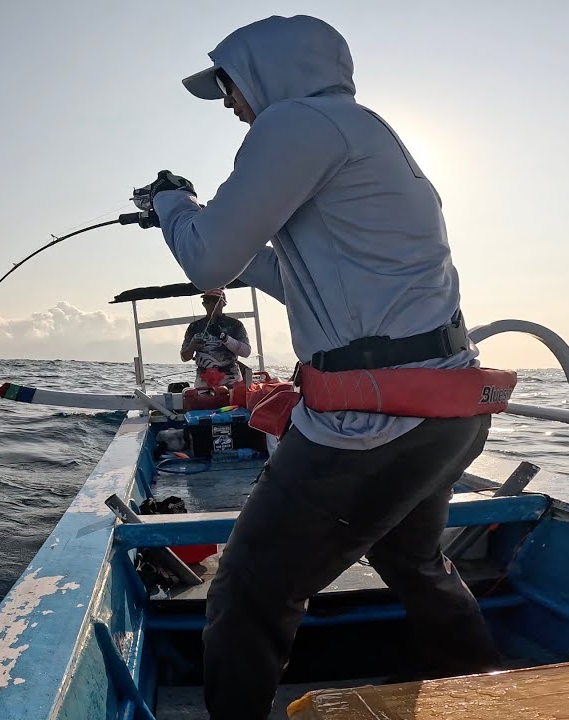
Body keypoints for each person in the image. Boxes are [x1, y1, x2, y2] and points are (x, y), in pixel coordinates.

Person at [138, 15, 502, 719]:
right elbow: (280, 269)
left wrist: (169, 202)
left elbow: (210, 260)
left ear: (271, 72)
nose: (227, 103)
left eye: (228, 84)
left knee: (248, 590)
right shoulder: (359, 131)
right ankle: (491, 695)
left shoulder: (293, 126)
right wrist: (200, 216)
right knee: (414, 563)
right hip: (444, 409)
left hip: (372, 424)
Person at [181, 288, 252, 389]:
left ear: (224, 303)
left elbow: (246, 352)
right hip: (203, 379)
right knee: (202, 403)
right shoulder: (194, 327)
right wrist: (192, 347)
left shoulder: (235, 325)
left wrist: (224, 338)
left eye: (215, 300)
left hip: (231, 378)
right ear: (203, 304)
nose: (211, 304)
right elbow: (184, 357)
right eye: (207, 300)